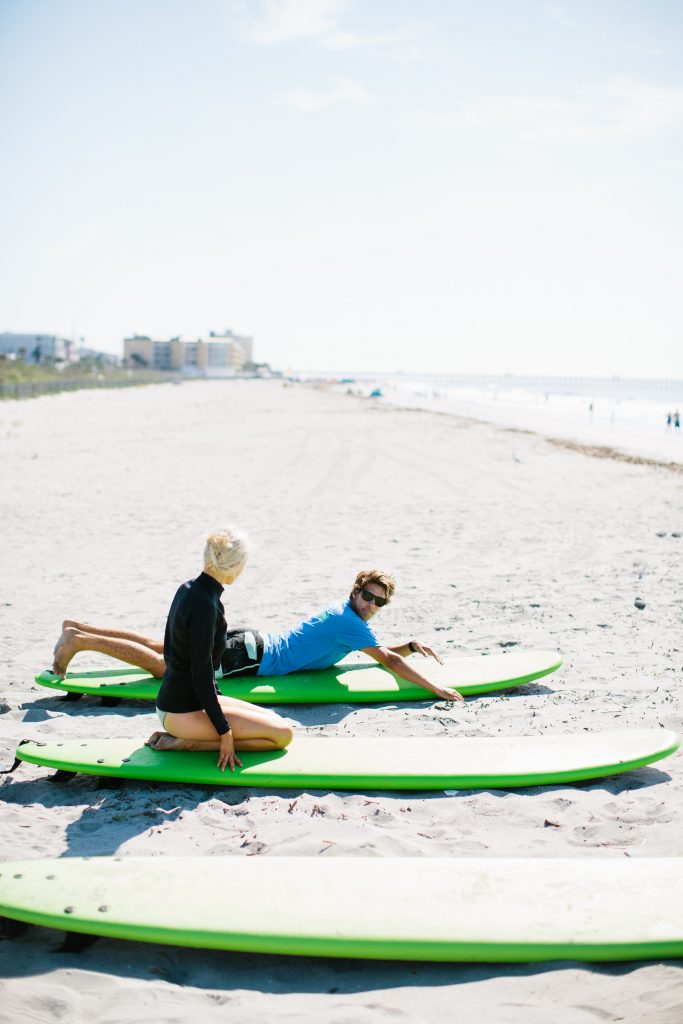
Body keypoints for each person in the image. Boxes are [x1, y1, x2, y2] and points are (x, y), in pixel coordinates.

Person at [52, 569, 463, 712]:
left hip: (250, 639)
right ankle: (80, 642)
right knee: (166, 668)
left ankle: (80, 629)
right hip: (249, 657)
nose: (372, 604)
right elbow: (387, 661)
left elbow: (380, 651)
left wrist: (405, 647)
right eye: (368, 596)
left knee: (164, 647)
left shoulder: (346, 614)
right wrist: (435, 687)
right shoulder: (352, 622)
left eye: (380, 602)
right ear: (356, 591)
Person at [55, 527, 294, 772]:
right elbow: (200, 675)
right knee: (282, 736)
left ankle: (196, 735)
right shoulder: (206, 606)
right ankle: (188, 743)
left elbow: (177, 657)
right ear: (235, 566)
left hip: (184, 702)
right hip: (182, 710)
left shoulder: (191, 589)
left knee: (278, 723)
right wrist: (225, 732)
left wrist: (219, 703)